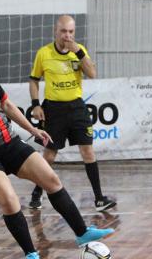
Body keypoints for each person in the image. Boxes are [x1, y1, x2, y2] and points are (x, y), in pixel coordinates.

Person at [0, 27, 114, 259]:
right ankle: (31, 253)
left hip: (8, 144)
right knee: (9, 201)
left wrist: (33, 130)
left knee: (51, 179)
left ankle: (82, 233)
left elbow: (8, 106)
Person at [28, 15, 117, 212]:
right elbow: (34, 80)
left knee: (88, 152)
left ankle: (99, 199)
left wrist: (79, 52)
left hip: (77, 108)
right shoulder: (44, 53)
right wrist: (35, 104)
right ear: (56, 31)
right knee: (49, 155)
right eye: (63, 31)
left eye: (71, 32)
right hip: (54, 109)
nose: (67, 35)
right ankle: (37, 192)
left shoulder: (79, 51)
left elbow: (92, 74)